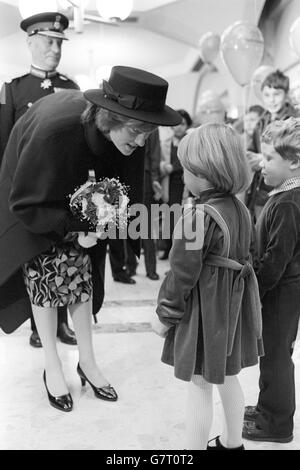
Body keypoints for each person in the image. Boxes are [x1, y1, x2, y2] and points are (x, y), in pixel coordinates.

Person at [0, 65, 181, 412]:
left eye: (148, 133)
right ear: (112, 115)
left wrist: (114, 229)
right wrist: (74, 226)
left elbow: (129, 191)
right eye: (137, 132)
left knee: (84, 279)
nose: (142, 141)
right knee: (44, 277)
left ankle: (88, 361)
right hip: (34, 199)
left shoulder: (133, 133)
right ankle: (52, 364)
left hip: (85, 204)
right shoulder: (54, 133)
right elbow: (25, 203)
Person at [152, 123, 263, 450]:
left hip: (207, 313)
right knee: (229, 379)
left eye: (186, 168)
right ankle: (232, 443)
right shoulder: (240, 208)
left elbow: (181, 274)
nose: (183, 174)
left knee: (199, 386)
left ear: (203, 173)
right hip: (234, 309)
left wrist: (165, 314)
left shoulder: (199, 216)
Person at [0, 11, 79, 348]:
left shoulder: (72, 88)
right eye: (48, 41)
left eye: (59, 42)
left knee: (67, 256)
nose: (55, 48)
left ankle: (61, 322)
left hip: (63, 192)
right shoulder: (14, 90)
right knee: (34, 258)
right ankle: (38, 323)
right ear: (30, 42)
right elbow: (4, 145)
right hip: (29, 193)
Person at [243, 117, 300, 444]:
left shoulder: (289, 204)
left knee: (276, 359)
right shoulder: (284, 195)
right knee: (272, 357)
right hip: (282, 291)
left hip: (281, 294)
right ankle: (267, 409)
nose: (261, 164)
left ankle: (277, 425)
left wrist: (254, 291)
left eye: (269, 158)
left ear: (294, 162)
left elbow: (276, 260)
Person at [245, 70, 299, 223]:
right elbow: (252, 150)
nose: (271, 100)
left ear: (286, 94)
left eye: (276, 94)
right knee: (262, 234)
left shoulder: (294, 120)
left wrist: (262, 158)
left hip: (289, 189)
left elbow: (295, 154)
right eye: (267, 95)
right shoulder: (261, 121)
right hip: (262, 190)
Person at [159, 109, 192, 260]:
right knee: (169, 217)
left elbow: (189, 161)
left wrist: (173, 167)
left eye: (183, 124)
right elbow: (159, 161)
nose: (179, 127)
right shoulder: (165, 143)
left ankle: (179, 253)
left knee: (183, 219)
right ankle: (167, 248)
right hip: (169, 183)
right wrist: (164, 166)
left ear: (187, 125)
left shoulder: (191, 142)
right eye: (177, 124)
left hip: (185, 184)